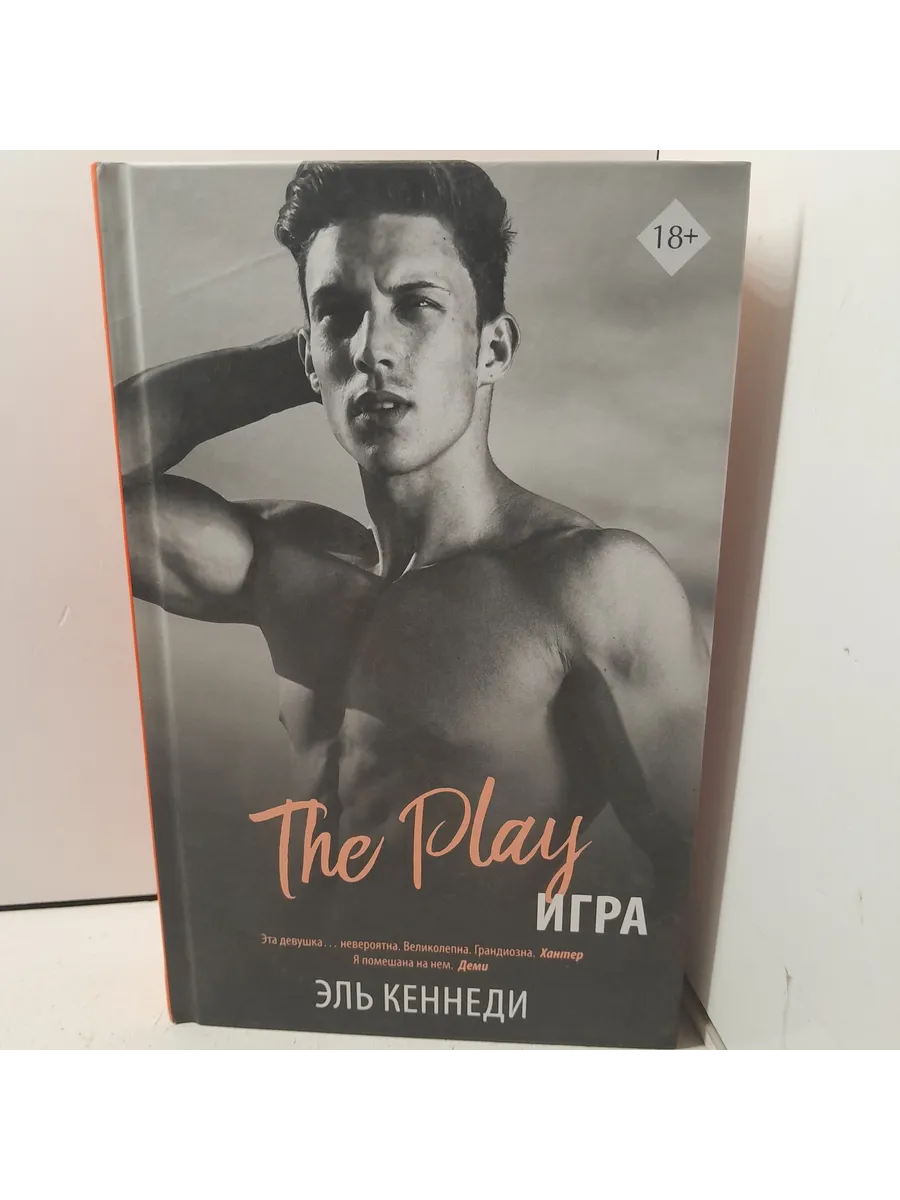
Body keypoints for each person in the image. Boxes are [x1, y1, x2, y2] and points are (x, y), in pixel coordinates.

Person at [115, 161, 709, 941]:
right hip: (305, 1003)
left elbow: (697, 882)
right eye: (339, 313)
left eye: (416, 304)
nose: (374, 348)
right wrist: (314, 361)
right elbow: (86, 478)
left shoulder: (593, 583)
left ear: (492, 348)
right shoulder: (292, 565)